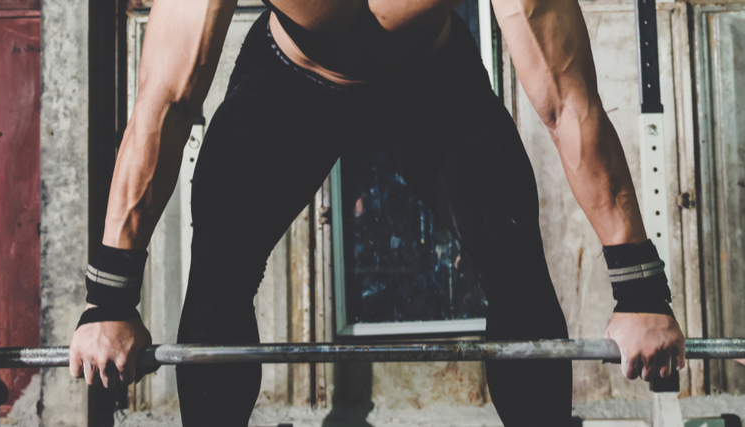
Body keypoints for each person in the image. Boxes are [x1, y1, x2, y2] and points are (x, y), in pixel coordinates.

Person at [68, 0, 686, 425]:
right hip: (289, 82)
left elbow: (567, 103)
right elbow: (165, 104)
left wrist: (641, 294)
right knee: (217, 276)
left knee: (516, 266)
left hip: (432, 83)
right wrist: (110, 303)